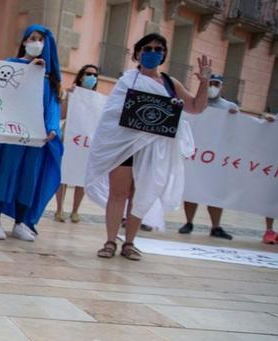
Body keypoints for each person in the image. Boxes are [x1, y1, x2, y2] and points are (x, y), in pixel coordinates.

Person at [86, 33, 210, 261]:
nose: (153, 52)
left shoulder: (171, 83)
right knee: (118, 193)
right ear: (138, 53)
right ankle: (110, 241)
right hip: (123, 147)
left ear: (164, 54)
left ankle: (130, 243)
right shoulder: (126, 81)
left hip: (154, 150)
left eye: (158, 49)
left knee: (140, 195)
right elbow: (110, 115)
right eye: (148, 48)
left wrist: (204, 83)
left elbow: (195, 107)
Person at [0, 25, 63, 242]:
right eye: (32, 38)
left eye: (40, 39)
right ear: (24, 42)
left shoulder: (49, 77)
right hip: (9, 135)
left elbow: (53, 105)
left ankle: (21, 222)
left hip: (35, 138)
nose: (36, 43)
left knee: (29, 179)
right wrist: (28, 72)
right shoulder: (11, 66)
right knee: (3, 174)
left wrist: (53, 127)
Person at [177, 74, 236, 240]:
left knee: (216, 192)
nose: (213, 87)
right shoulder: (195, 103)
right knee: (192, 189)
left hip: (217, 157)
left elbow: (238, 131)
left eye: (216, 84)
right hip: (196, 155)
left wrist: (235, 117)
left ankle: (216, 226)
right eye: (210, 83)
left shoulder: (230, 107)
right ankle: (188, 223)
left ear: (221, 86)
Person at [54, 64, 99, 223]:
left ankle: (75, 211)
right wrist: (69, 97)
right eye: (88, 74)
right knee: (63, 173)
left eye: (95, 75)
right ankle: (59, 209)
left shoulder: (97, 99)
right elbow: (62, 114)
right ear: (81, 76)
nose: (92, 77)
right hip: (69, 136)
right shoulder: (70, 93)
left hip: (86, 141)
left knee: (82, 176)